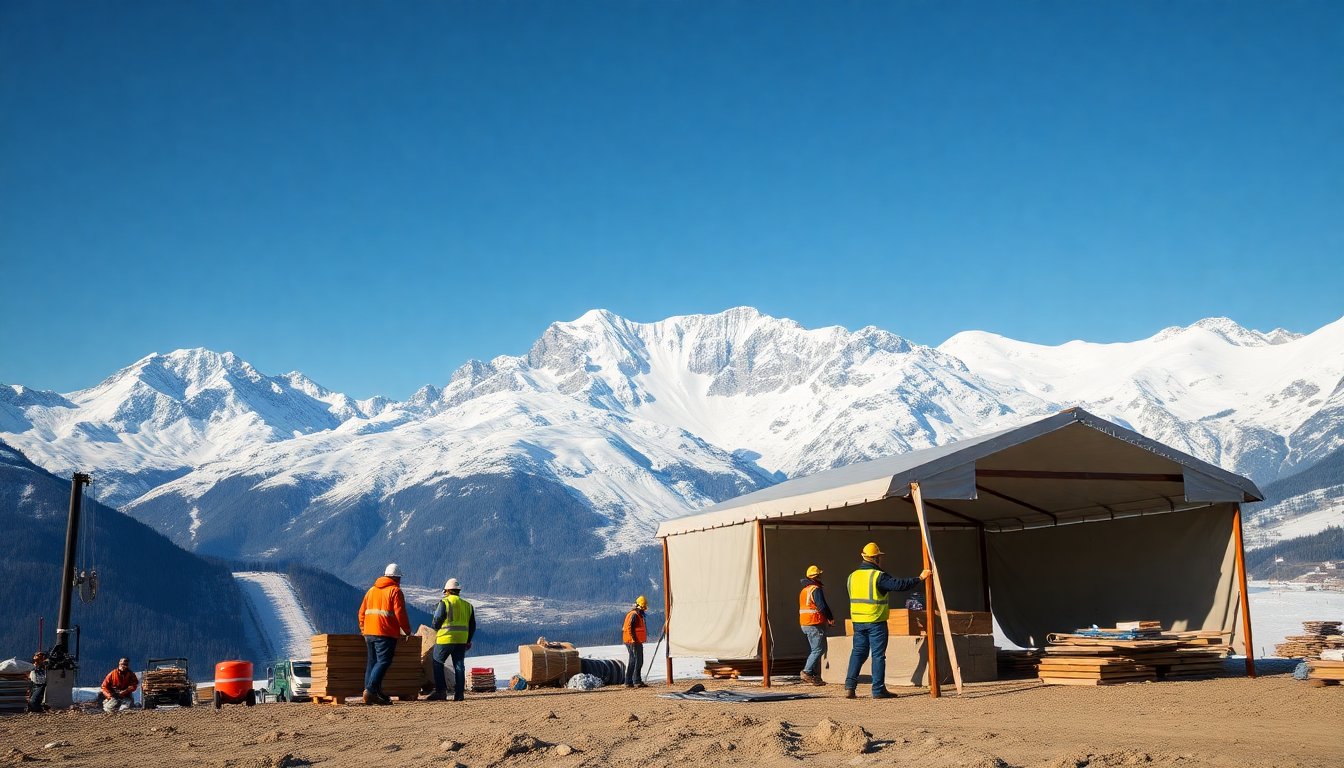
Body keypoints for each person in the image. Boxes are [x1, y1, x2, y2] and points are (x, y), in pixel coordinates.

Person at [844, 542, 930, 699]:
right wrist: (920, 578)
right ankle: (878, 690)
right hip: (875, 620)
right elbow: (899, 585)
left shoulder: (852, 576)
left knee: (858, 652)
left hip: (858, 621)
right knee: (878, 655)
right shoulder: (877, 576)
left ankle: (850, 686)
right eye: (880, 557)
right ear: (876, 558)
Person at [358, 563, 411, 705]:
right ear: (396, 578)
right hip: (385, 632)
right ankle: (370, 691)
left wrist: (364, 630)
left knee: (372, 662)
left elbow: (361, 613)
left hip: (369, 632)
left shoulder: (371, 591)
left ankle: (374, 692)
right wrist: (407, 631)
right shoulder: (395, 591)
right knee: (383, 661)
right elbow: (400, 613)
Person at [429, 577, 475, 702]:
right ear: (458, 591)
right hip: (461, 640)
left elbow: (436, 621)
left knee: (437, 662)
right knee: (459, 665)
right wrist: (468, 640)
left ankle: (441, 692)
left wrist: (436, 627)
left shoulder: (445, 603)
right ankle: (459, 694)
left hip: (445, 639)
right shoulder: (468, 606)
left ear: (447, 591)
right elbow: (472, 625)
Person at [798, 565, 834, 686]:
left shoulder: (804, 590)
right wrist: (830, 618)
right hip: (814, 623)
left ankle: (813, 676)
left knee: (815, 649)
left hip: (806, 623)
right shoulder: (815, 589)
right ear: (817, 577)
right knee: (818, 649)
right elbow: (822, 606)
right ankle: (807, 672)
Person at [622, 596, 648, 688]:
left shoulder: (636, 614)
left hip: (634, 640)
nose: (644, 609)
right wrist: (633, 639)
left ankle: (629, 681)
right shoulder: (634, 614)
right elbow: (630, 627)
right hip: (633, 641)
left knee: (634, 660)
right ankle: (635, 681)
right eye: (643, 607)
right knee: (637, 660)